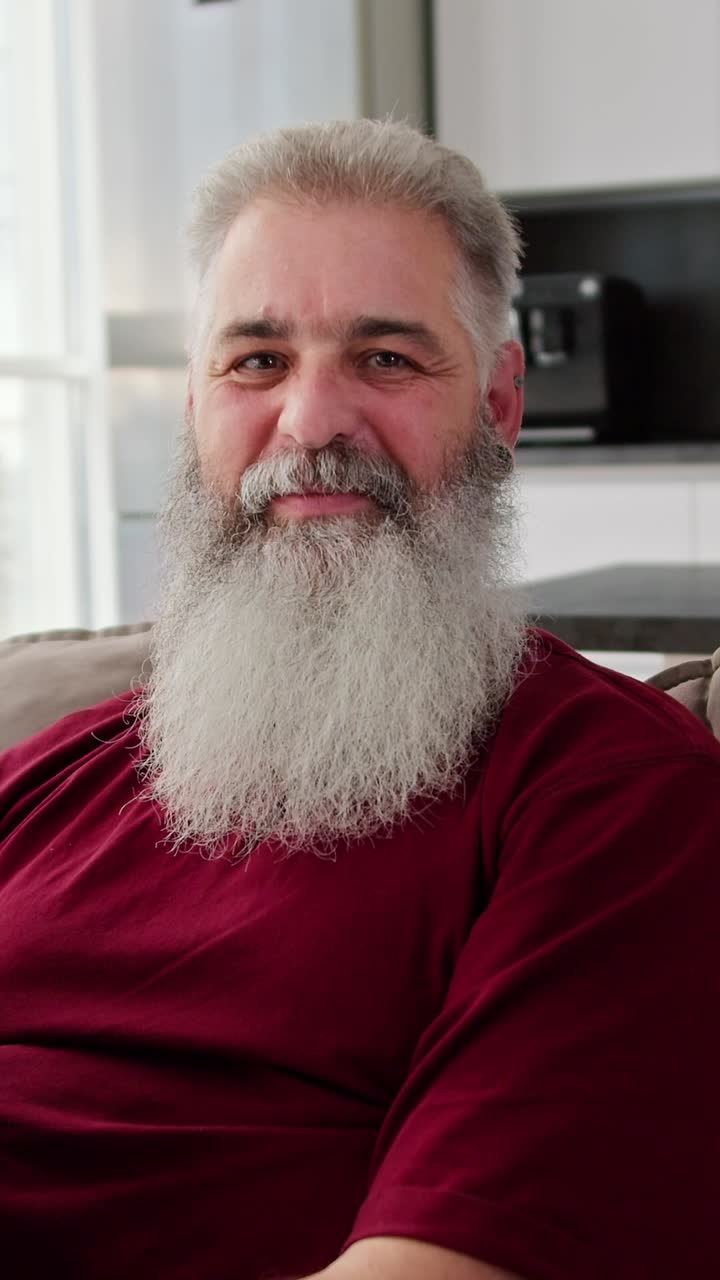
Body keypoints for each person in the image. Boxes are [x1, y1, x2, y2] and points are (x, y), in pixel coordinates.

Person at [1, 119, 719, 1280]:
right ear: (193, 407)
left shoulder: (616, 800)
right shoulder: (50, 770)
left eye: (385, 358)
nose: (311, 422)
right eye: (256, 361)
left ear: (498, 406)